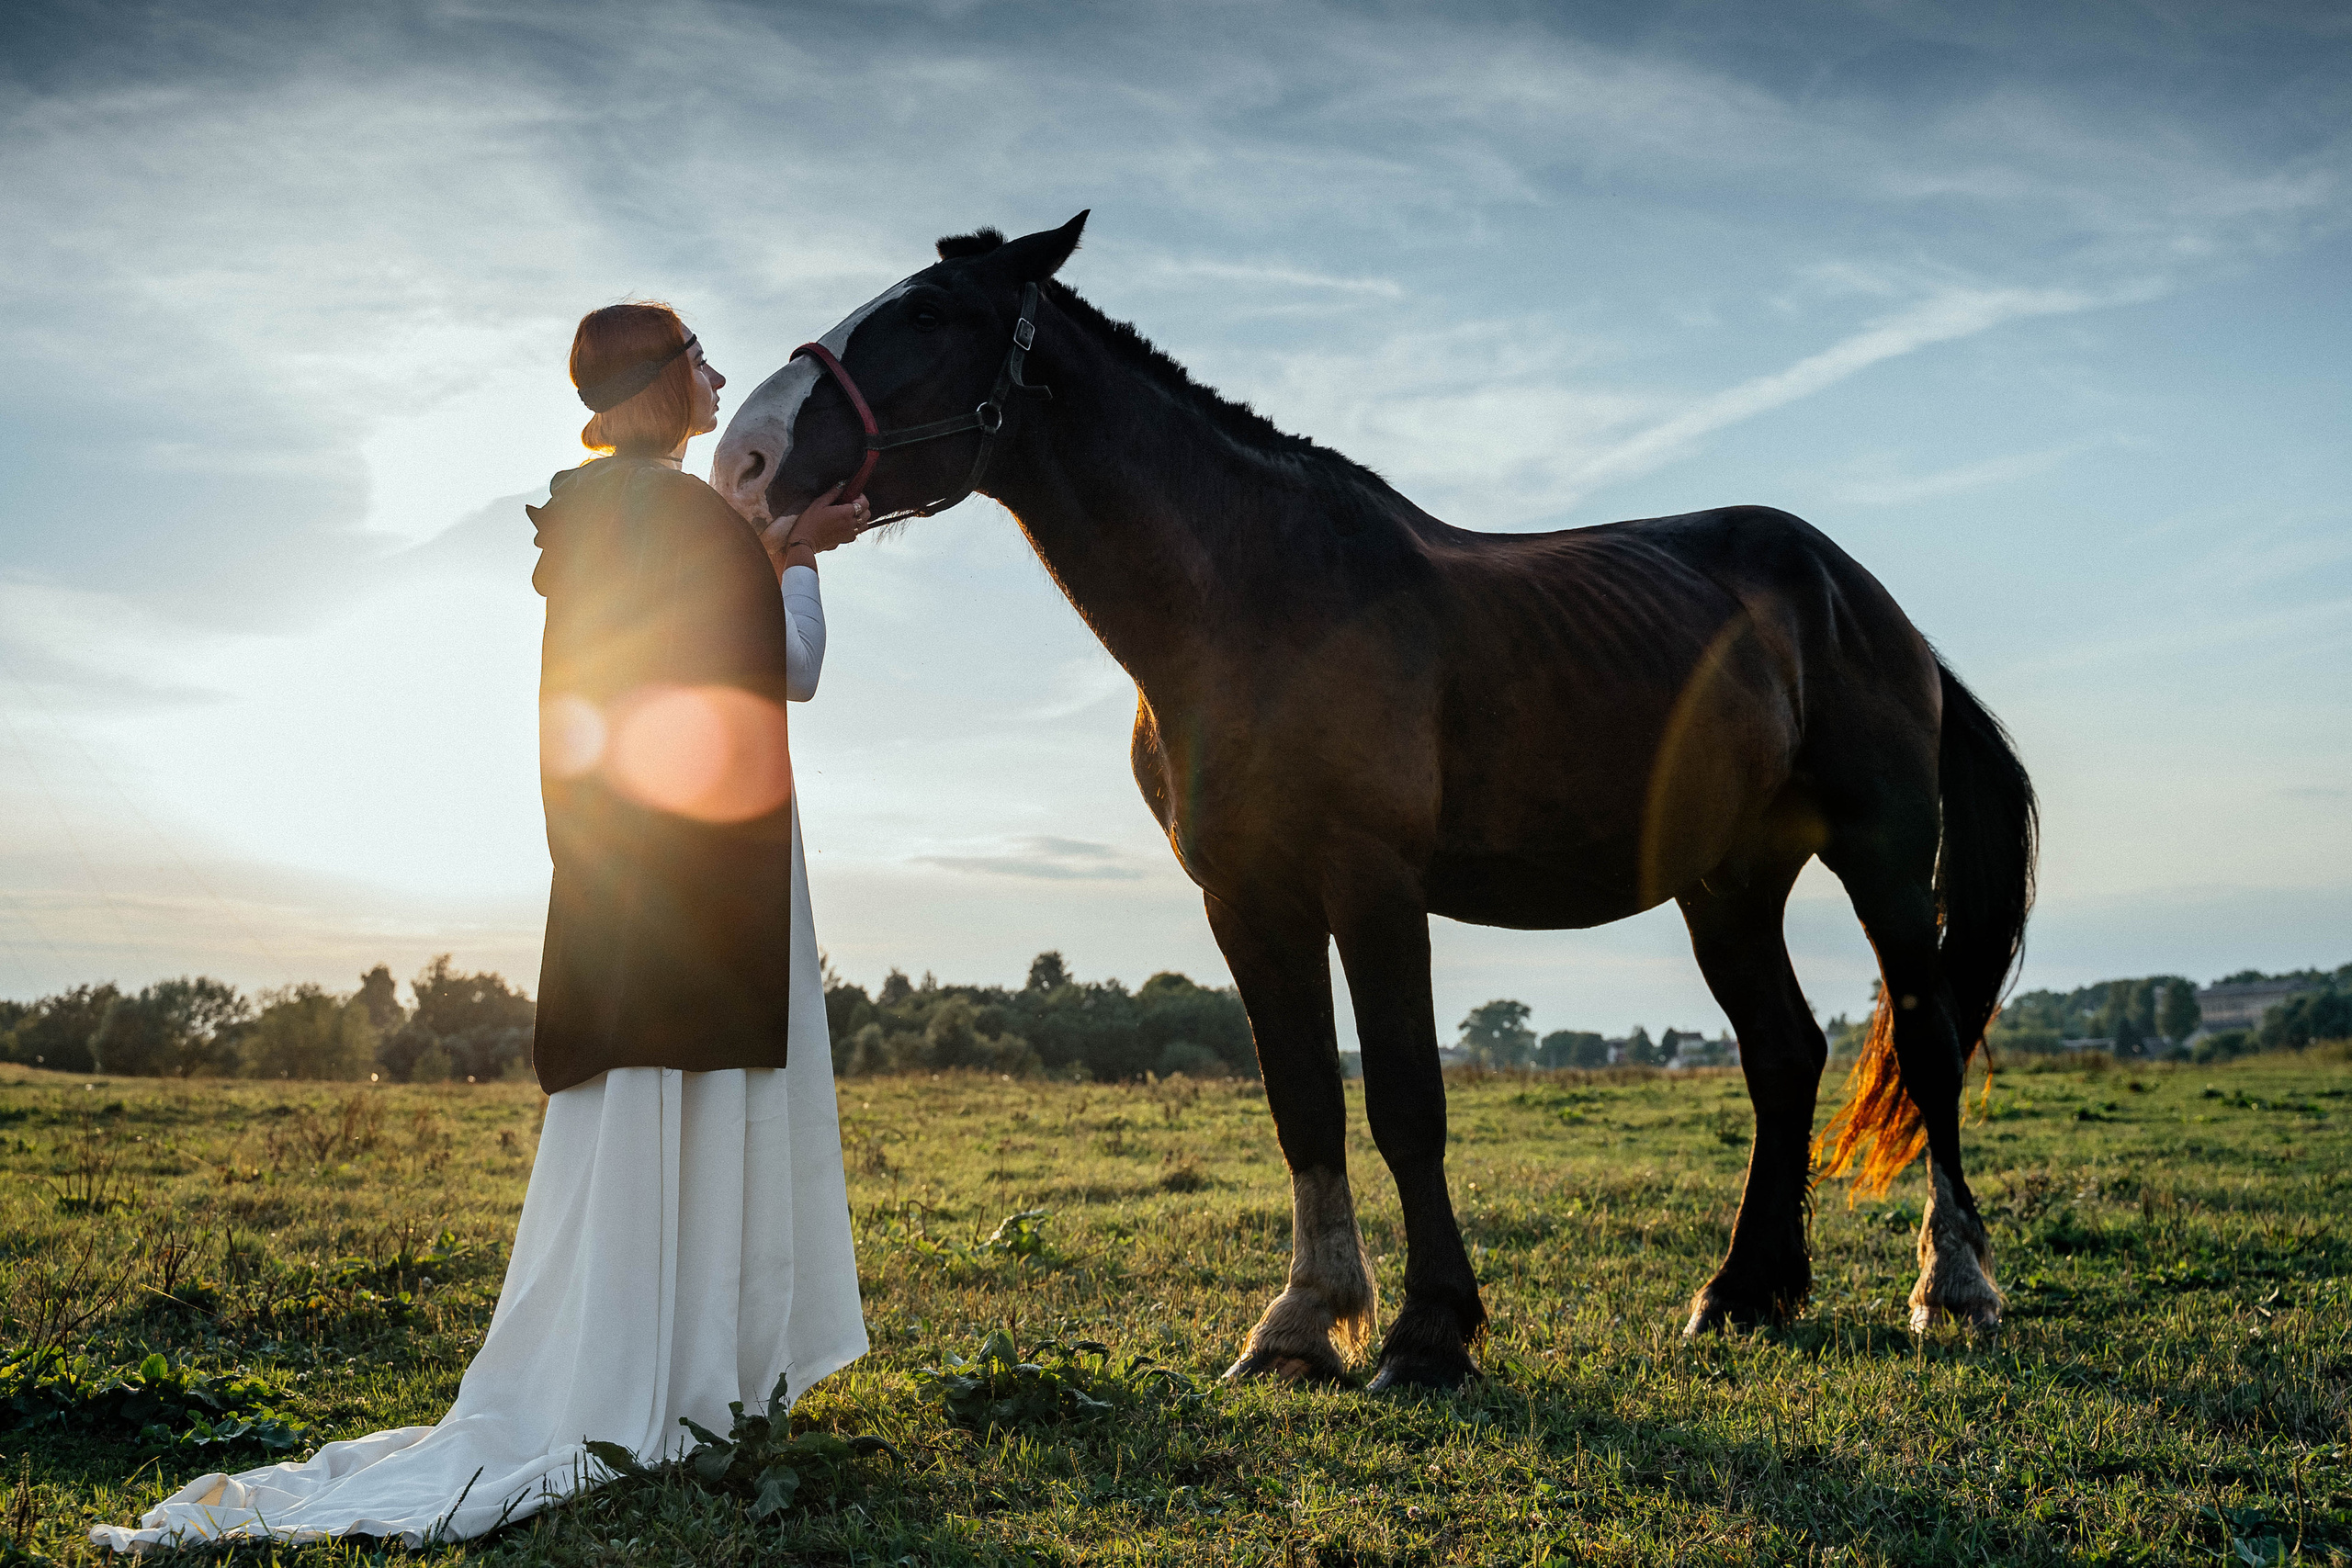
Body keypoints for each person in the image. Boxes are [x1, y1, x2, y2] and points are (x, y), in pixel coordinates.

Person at [95, 302, 871, 1551]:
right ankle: (686, 1383)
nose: (719, 375)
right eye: (697, 359)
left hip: (627, 878)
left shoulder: (596, 517)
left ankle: (640, 1368)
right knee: (696, 1108)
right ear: (662, 385)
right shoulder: (684, 519)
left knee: (635, 1124)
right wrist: (798, 557)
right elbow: (791, 668)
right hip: (708, 879)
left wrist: (759, 544)